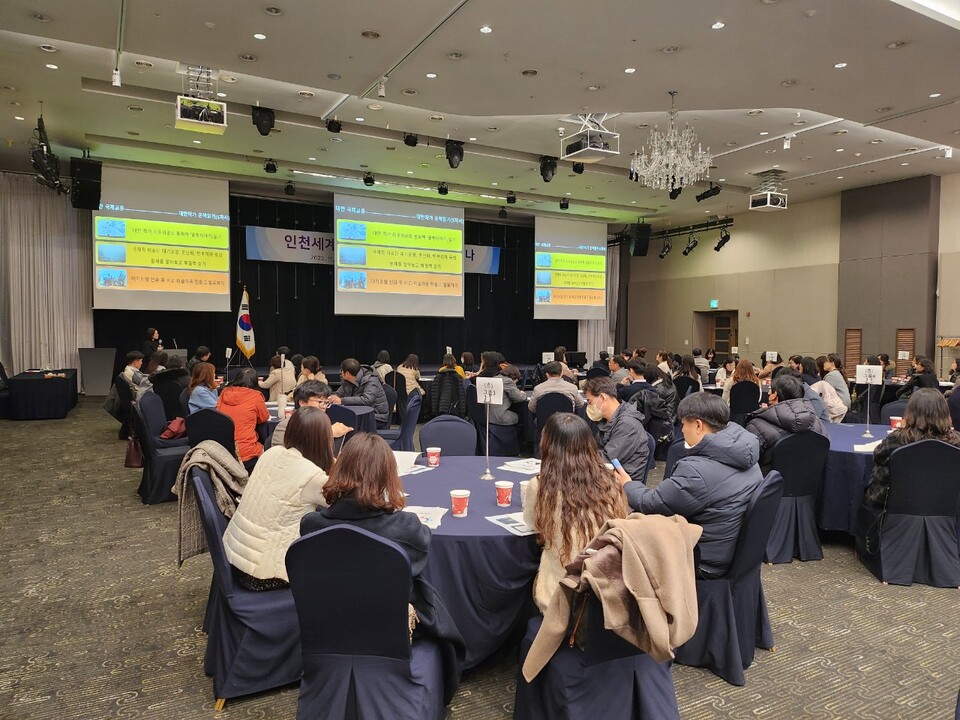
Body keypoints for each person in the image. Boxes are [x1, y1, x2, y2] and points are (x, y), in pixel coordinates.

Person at [300, 433, 465, 664]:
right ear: (388, 477)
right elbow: (422, 549)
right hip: (388, 628)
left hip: (330, 623)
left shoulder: (311, 525)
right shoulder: (406, 528)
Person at [622, 392, 764, 579]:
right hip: (732, 553)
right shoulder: (746, 455)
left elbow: (653, 503)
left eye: (683, 424)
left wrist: (627, 484)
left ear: (698, 425)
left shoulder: (697, 471)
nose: (681, 431)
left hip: (705, 560)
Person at [523, 413, 629, 613]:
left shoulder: (541, 486)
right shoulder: (612, 482)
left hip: (561, 592)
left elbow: (532, 524)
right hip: (608, 588)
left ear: (547, 445)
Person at [222, 407, 336, 590]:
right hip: (263, 573)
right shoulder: (311, 476)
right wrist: (336, 465)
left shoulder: (271, 453)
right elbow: (344, 501)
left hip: (233, 557)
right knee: (336, 556)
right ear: (323, 440)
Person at [863, 389, 960, 505]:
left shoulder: (895, 440)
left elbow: (878, 478)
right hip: (948, 512)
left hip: (897, 510)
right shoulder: (956, 442)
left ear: (910, 412)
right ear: (945, 412)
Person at [744, 374, 828, 475]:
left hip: (769, 486)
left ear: (774, 395)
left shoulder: (756, 426)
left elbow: (746, 459)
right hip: (811, 485)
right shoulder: (817, 423)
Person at [583, 376, 650, 480]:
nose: (589, 406)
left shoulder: (628, 424)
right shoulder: (609, 420)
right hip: (607, 478)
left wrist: (577, 456)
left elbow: (606, 459)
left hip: (620, 485)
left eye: (590, 401)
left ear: (602, 397)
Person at [217, 367, 270, 472]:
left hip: (222, 450)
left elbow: (218, 413)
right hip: (245, 451)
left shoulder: (224, 393)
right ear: (255, 382)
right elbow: (264, 418)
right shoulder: (256, 396)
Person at [272, 380, 350, 448]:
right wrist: (328, 434)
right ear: (302, 403)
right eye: (320, 402)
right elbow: (284, 457)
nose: (323, 407)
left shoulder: (323, 423)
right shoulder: (285, 426)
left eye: (326, 403)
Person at [330, 357, 391, 428]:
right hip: (358, 414)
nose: (340, 372)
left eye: (341, 370)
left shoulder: (371, 380)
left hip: (375, 416)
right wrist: (333, 397)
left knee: (346, 424)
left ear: (347, 373)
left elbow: (367, 400)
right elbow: (340, 393)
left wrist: (342, 400)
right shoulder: (347, 380)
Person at [476, 351, 527, 426]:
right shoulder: (507, 381)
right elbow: (518, 398)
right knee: (522, 417)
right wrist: (523, 394)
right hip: (498, 417)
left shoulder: (495, 378)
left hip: (485, 416)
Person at [150, 354, 190, 419]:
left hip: (161, 416)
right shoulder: (188, 381)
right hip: (182, 418)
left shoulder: (158, 380)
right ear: (181, 365)